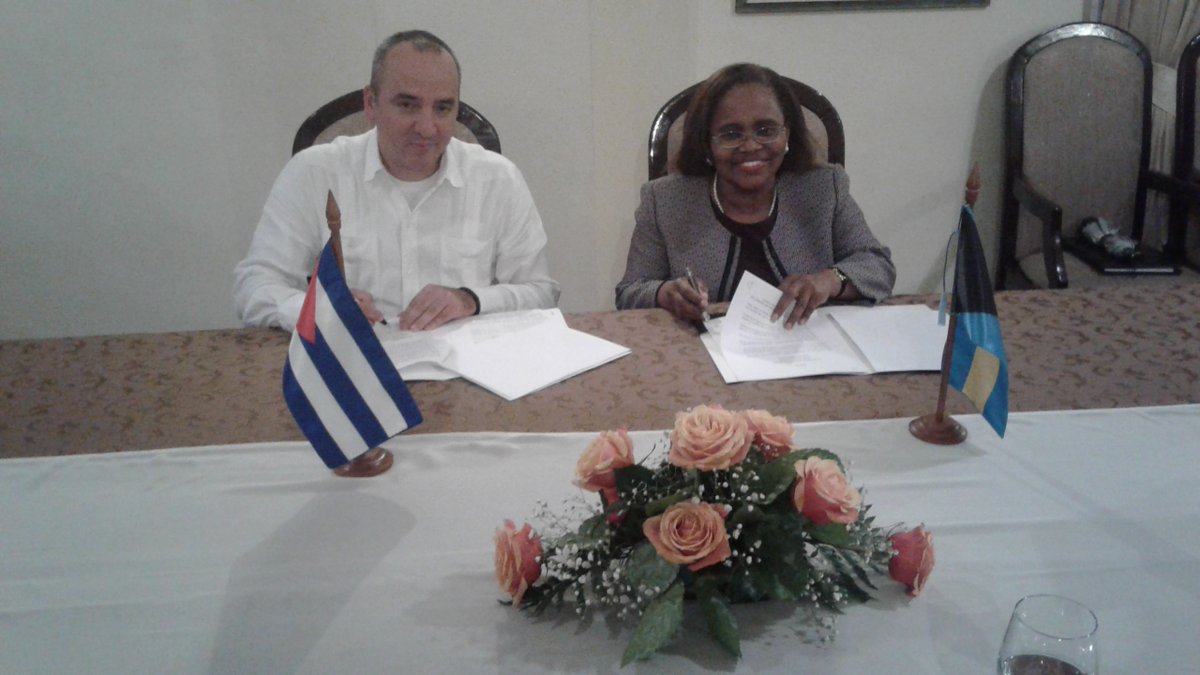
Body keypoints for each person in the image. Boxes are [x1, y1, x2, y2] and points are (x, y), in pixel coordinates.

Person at [234, 30, 559, 332]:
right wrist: (319, 309)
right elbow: (255, 287)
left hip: (464, 363)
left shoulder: (498, 179)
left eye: (443, 108)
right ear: (371, 104)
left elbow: (541, 293)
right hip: (354, 359)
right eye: (407, 105)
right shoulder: (314, 172)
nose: (427, 128)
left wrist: (470, 300)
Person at [615, 63, 895, 328]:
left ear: (787, 134)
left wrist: (831, 280)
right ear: (707, 143)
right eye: (731, 134)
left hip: (806, 347)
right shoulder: (665, 200)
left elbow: (878, 266)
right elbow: (629, 292)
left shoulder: (823, 187)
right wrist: (664, 292)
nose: (750, 146)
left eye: (766, 130)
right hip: (703, 353)